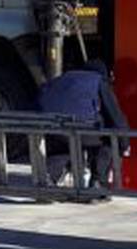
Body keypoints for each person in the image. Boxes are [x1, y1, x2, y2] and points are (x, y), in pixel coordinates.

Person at [35, 59, 130, 192]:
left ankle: (49, 177)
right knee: (109, 137)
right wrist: (124, 144)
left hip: (52, 125)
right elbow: (115, 116)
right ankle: (98, 183)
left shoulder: (63, 78)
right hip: (83, 127)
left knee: (62, 144)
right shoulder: (99, 81)